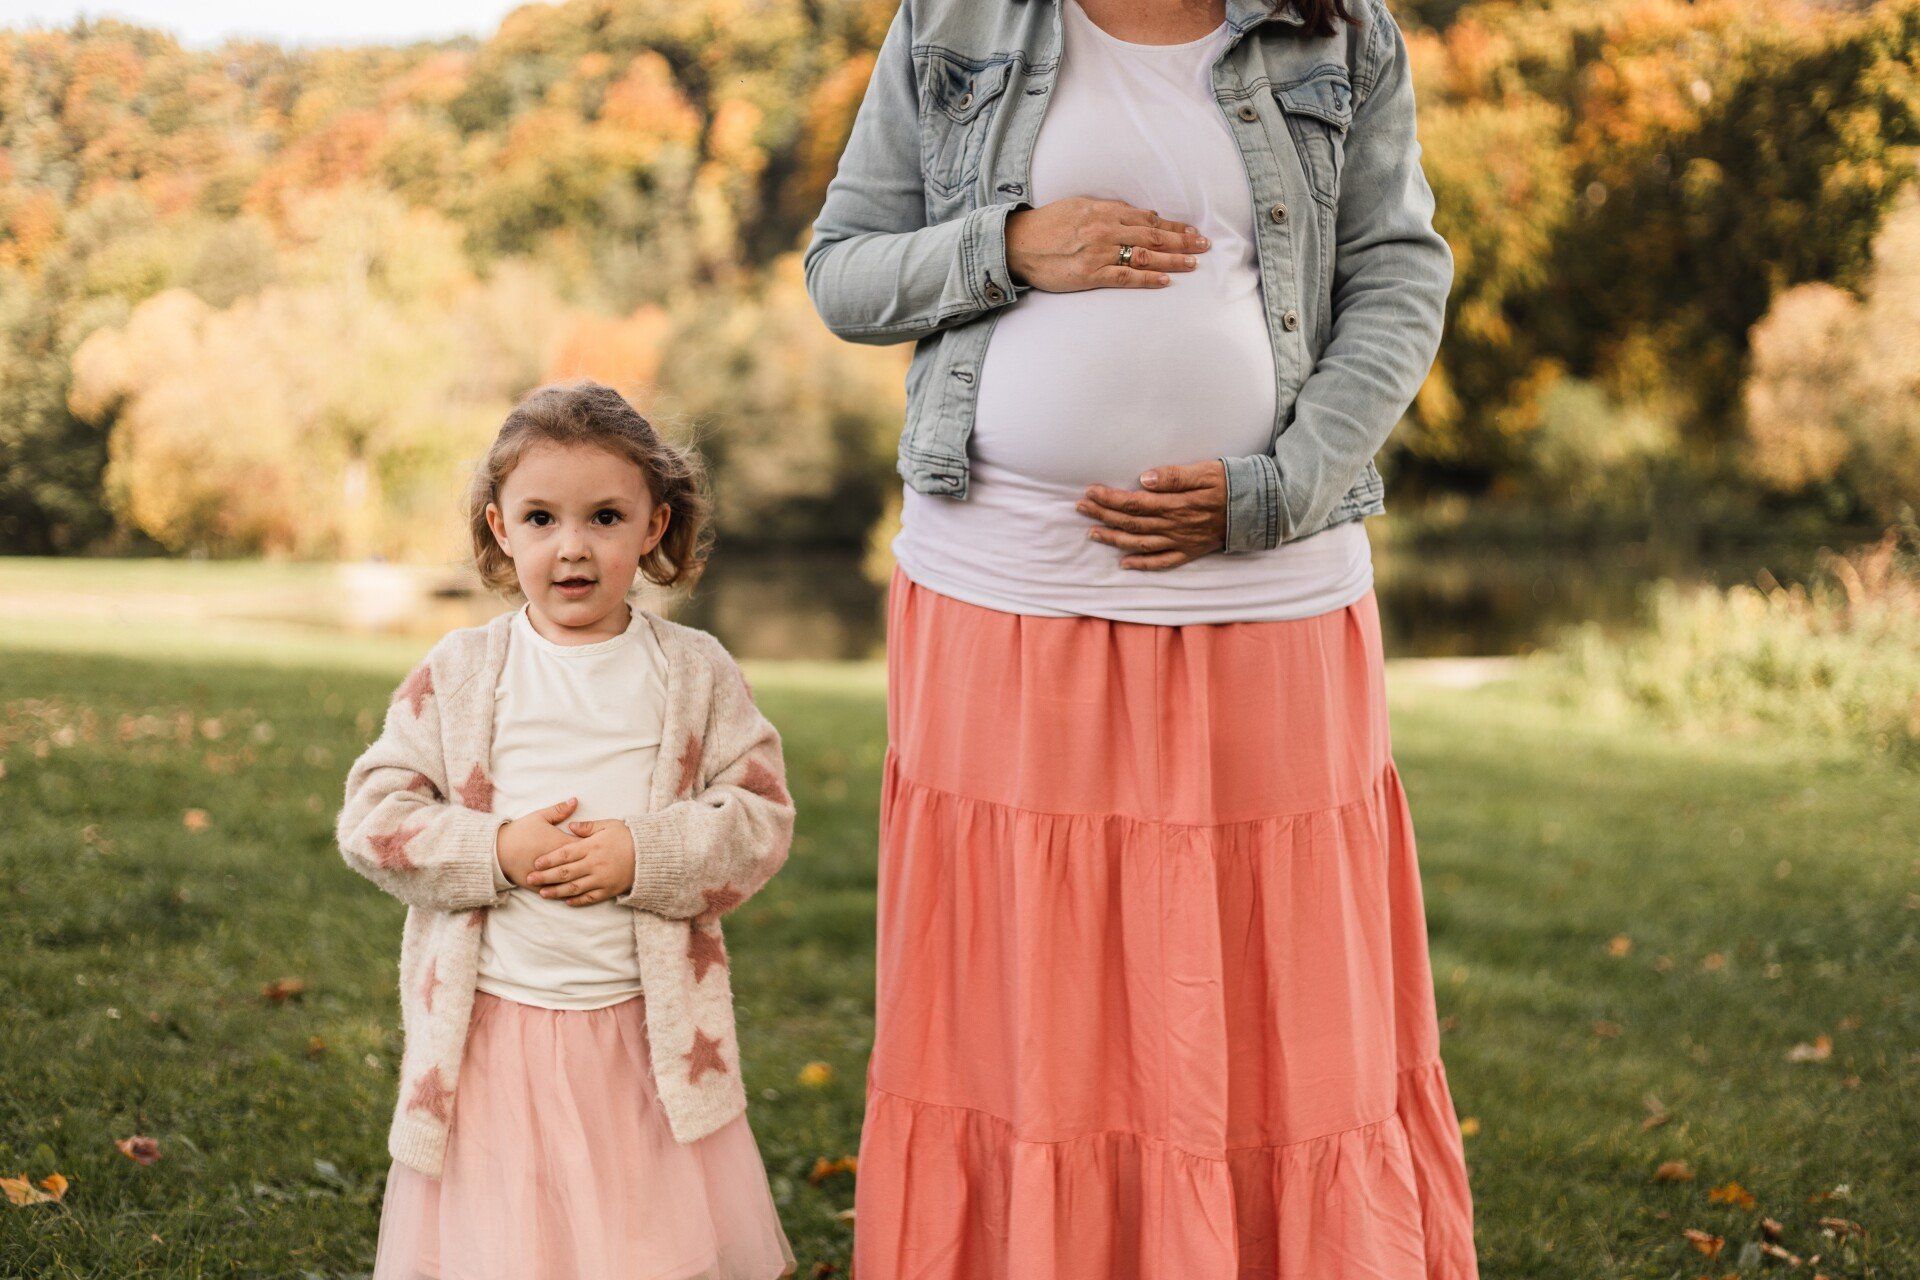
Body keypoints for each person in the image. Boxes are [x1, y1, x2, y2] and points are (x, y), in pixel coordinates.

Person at [803, 0, 1478, 1276]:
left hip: (1268, 597)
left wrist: (1279, 488)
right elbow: (842, 271)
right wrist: (1009, 245)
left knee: (1282, 1010)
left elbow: (1398, 277)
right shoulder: (953, 17)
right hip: (1001, 590)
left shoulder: (1340, 31)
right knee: (1030, 1015)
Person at [335, 380, 799, 1280]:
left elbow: (760, 817)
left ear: (655, 526)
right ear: (501, 528)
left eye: (605, 518)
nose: (573, 547)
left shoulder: (695, 673)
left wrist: (644, 854)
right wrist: (493, 849)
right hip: (491, 1040)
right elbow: (374, 819)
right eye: (541, 518)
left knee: (641, 1247)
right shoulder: (461, 671)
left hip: (645, 1043)